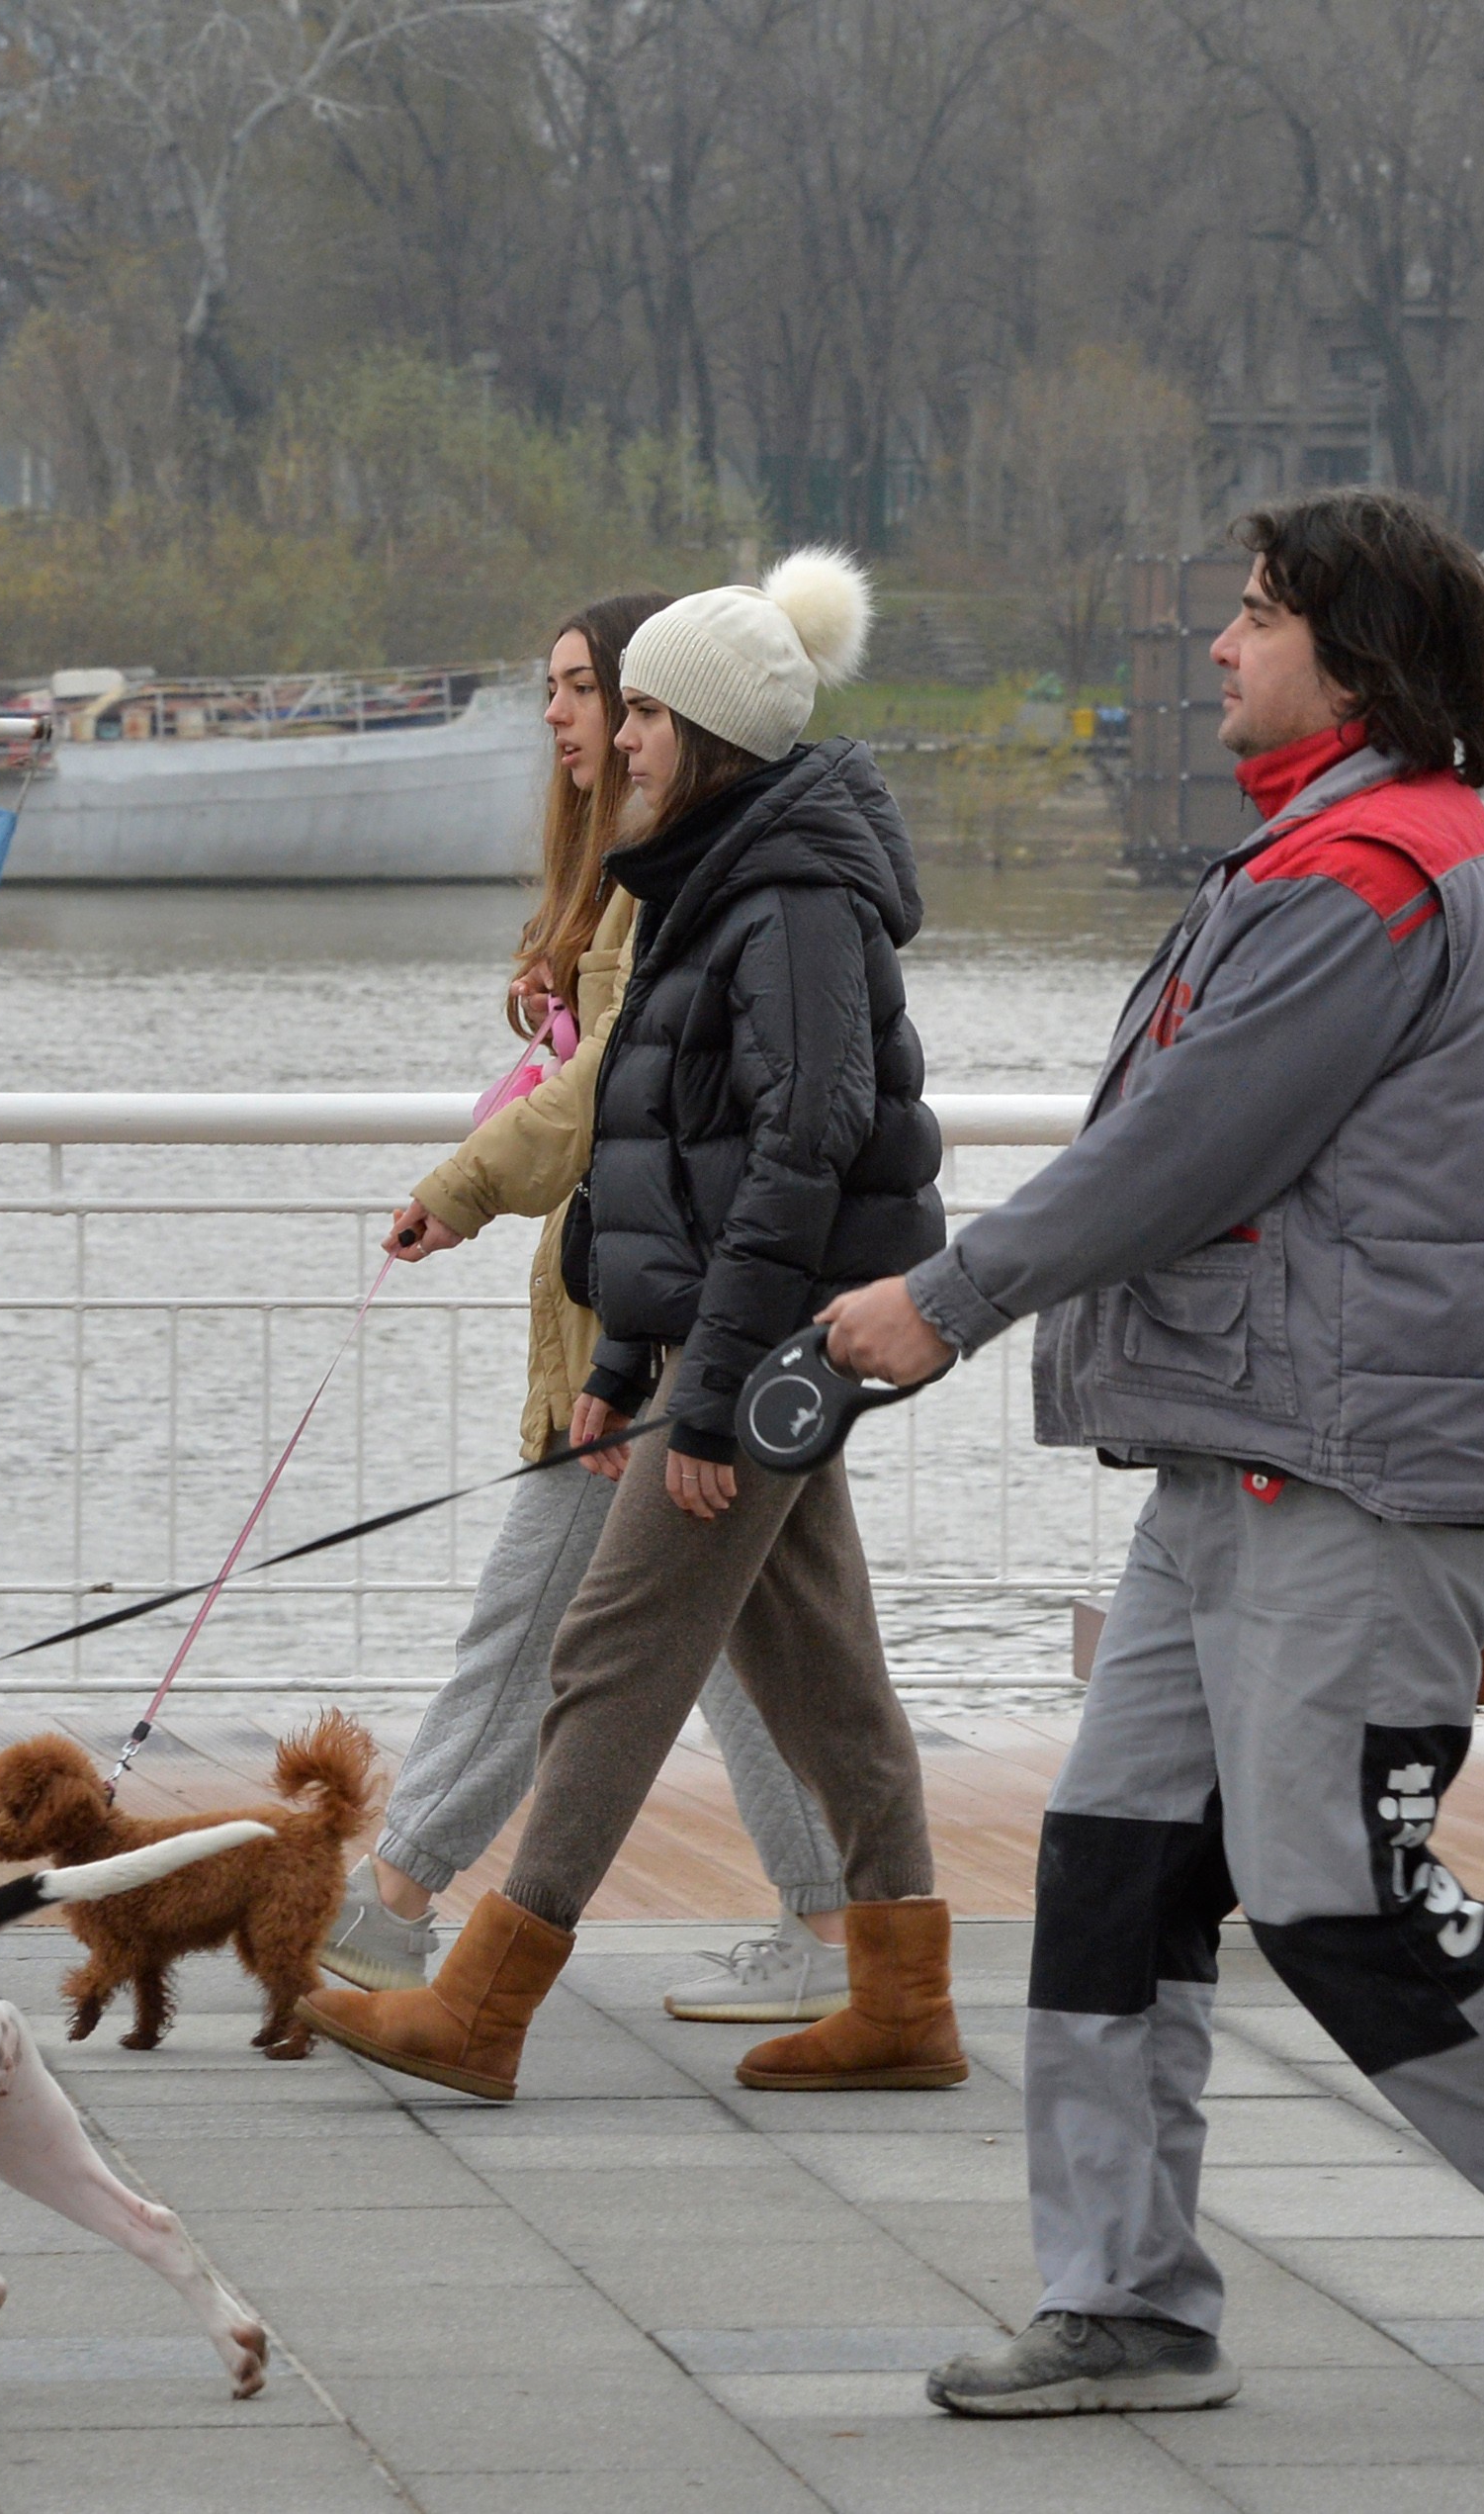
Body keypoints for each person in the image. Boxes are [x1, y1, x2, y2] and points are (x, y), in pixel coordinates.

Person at [815, 486, 1484, 2421]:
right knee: (1112, 1876)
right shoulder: (1348, 856)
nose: (1217, 641)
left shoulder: (1367, 874)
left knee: (1331, 1884)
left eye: (1256, 614)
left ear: (1355, 661)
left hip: (1356, 1472)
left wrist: (946, 1294)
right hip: (1250, 1458)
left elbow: (1186, 1144)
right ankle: (1125, 2300)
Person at [301, 549, 965, 2103]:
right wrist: (615, 1363)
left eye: (648, 711)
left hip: (762, 1354)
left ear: (713, 732)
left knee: (607, 1649)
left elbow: (801, 1152)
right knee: (828, 1679)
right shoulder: (703, 879)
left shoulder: (788, 899)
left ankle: (481, 1999)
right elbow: (653, 1158)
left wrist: (712, 1393)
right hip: (717, 1346)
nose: (623, 737)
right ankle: (904, 1996)